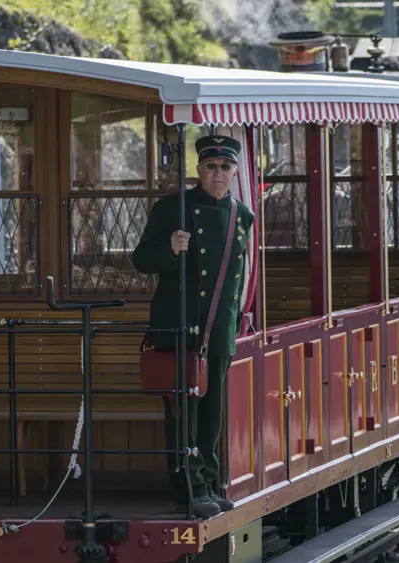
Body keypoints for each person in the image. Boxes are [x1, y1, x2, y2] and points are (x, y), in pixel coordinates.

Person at [132, 134, 255, 518]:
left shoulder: (242, 216)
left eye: (225, 167)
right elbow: (141, 259)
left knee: (211, 412)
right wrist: (170, 249)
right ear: (199, 170)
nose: (218, 173)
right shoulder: (175, 208)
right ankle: (189, 487)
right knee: (183, 412)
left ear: (235, 172)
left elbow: (235, 280)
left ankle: (212, 483)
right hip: (180, 325)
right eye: (210, 166)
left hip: (218, 329)